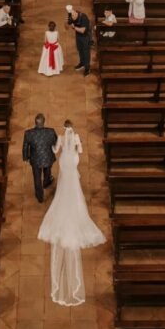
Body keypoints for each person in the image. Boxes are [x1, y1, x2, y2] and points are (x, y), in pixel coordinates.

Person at [37, 121, 106, 305]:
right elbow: (80, 151)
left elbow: (55, 150)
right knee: (73, 183)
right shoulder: (75, 136)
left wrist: (51, 146)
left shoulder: (60, 138)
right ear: (73, 128)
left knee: (64, 182)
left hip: (64, 162)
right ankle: (72, 198)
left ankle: (64, 195)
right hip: (72, 161)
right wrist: (78, 144)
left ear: (63, 128)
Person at [22, 112, 58, 203]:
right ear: (44, 122)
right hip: (48, 157)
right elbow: (55, 142)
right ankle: (46, 183)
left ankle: (40, 197)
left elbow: (25, 147)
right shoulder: (51, 131)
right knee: (47, 171)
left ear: (35, 122)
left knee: (37, 178)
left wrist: (25, 158)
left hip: (35, 160)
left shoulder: (28, 133)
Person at [66, 5, 92, 75]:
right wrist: (68, 23)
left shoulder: (83, 17)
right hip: (78, 36)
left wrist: (74, 27)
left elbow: (83, 30)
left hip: (86, 37)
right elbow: (67, 25)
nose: (73, 20)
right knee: (80, 50)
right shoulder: (72, 16)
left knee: (86, 52)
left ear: (75, 14)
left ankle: (87, 68)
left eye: (73, 18)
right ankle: (82, 63)